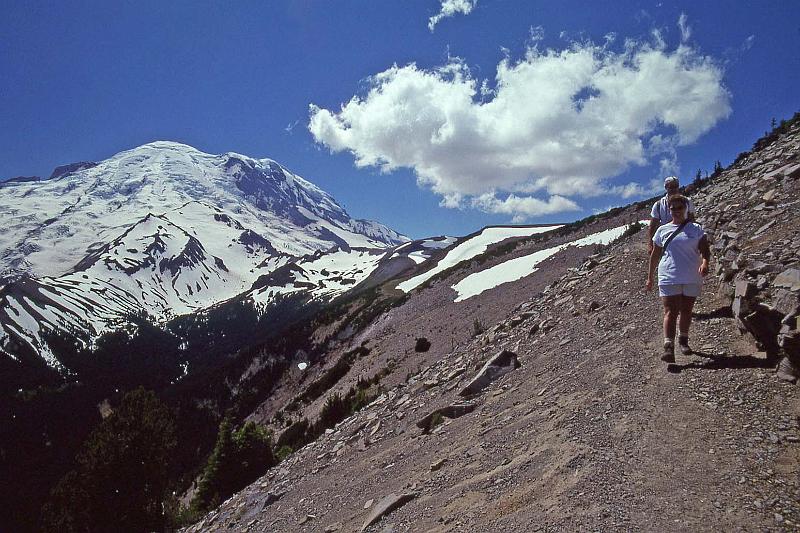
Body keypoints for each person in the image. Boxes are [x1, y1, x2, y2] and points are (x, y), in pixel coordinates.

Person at [646, 194, 711, 362]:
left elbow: (705, 249)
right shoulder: (662, 230)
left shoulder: (696, 228)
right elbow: (655, 255)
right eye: (672, 208)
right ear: (669, 210)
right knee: (670, 311)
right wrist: (650, 277)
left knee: (686, 310)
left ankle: (683, 340)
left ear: (686, 208)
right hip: (668, 275)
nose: (676, 211)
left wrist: (705, 263)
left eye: (679, 207)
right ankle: (668, 347)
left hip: (691, 274)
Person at [648, 176, 696, 253]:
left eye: (676, 186)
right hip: (666, 239)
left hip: (685, 237)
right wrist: (650, 243)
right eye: (671, 187)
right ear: (666, 187)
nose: (674, 189)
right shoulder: (658, 205)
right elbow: (653, 225)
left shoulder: (687, 201)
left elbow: (692, 219)